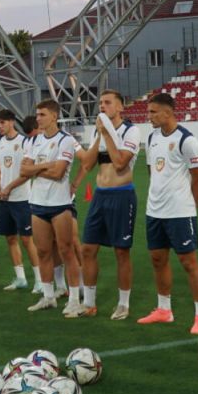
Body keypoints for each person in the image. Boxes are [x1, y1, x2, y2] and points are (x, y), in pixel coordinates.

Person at [136, 92, 198, 332]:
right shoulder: (152, 137)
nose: (149, 116)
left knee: (189, 262)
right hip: (155, 211)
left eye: (153, 112)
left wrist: (192, 206)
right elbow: (152, 171)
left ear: (168, 112)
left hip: (180, 212)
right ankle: (164, 310)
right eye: (149, 112)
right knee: (158, 259)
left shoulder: (187, 140)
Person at [73, 90, 140, 319]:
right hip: (100, 196)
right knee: (88, 249)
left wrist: (107, 134)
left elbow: (121, 163)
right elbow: (88, 164)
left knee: (121, 252)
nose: (102, 106)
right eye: (101, 103)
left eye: (108, 103)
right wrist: (99, 136)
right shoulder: (99, 131)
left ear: (120, 107)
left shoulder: (131, 130)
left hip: (122, 195)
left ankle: (123, 304)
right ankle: (89, 303)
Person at [23, 99, 82, 316]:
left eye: (42, 115)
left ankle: (74, 299)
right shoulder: (33, 141)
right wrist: (46, 165)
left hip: (59, 204)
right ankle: (48, 297)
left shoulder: (66, 141)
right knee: (43, 251)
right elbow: (23, 170)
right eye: (37, 115)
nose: (38, 119)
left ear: (54, 116)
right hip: (37, 203)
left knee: (66, 251)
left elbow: (58, 173)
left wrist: (35, 169)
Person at [0, 109, 41, 292]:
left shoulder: (25, 142)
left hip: (22, 199)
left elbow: (28, 173)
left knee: (28, 240)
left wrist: (8, 188)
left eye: (2, 123)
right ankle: (20, 278)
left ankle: (39, 280)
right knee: (10, 238)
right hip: (4, 200)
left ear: (12, 122)